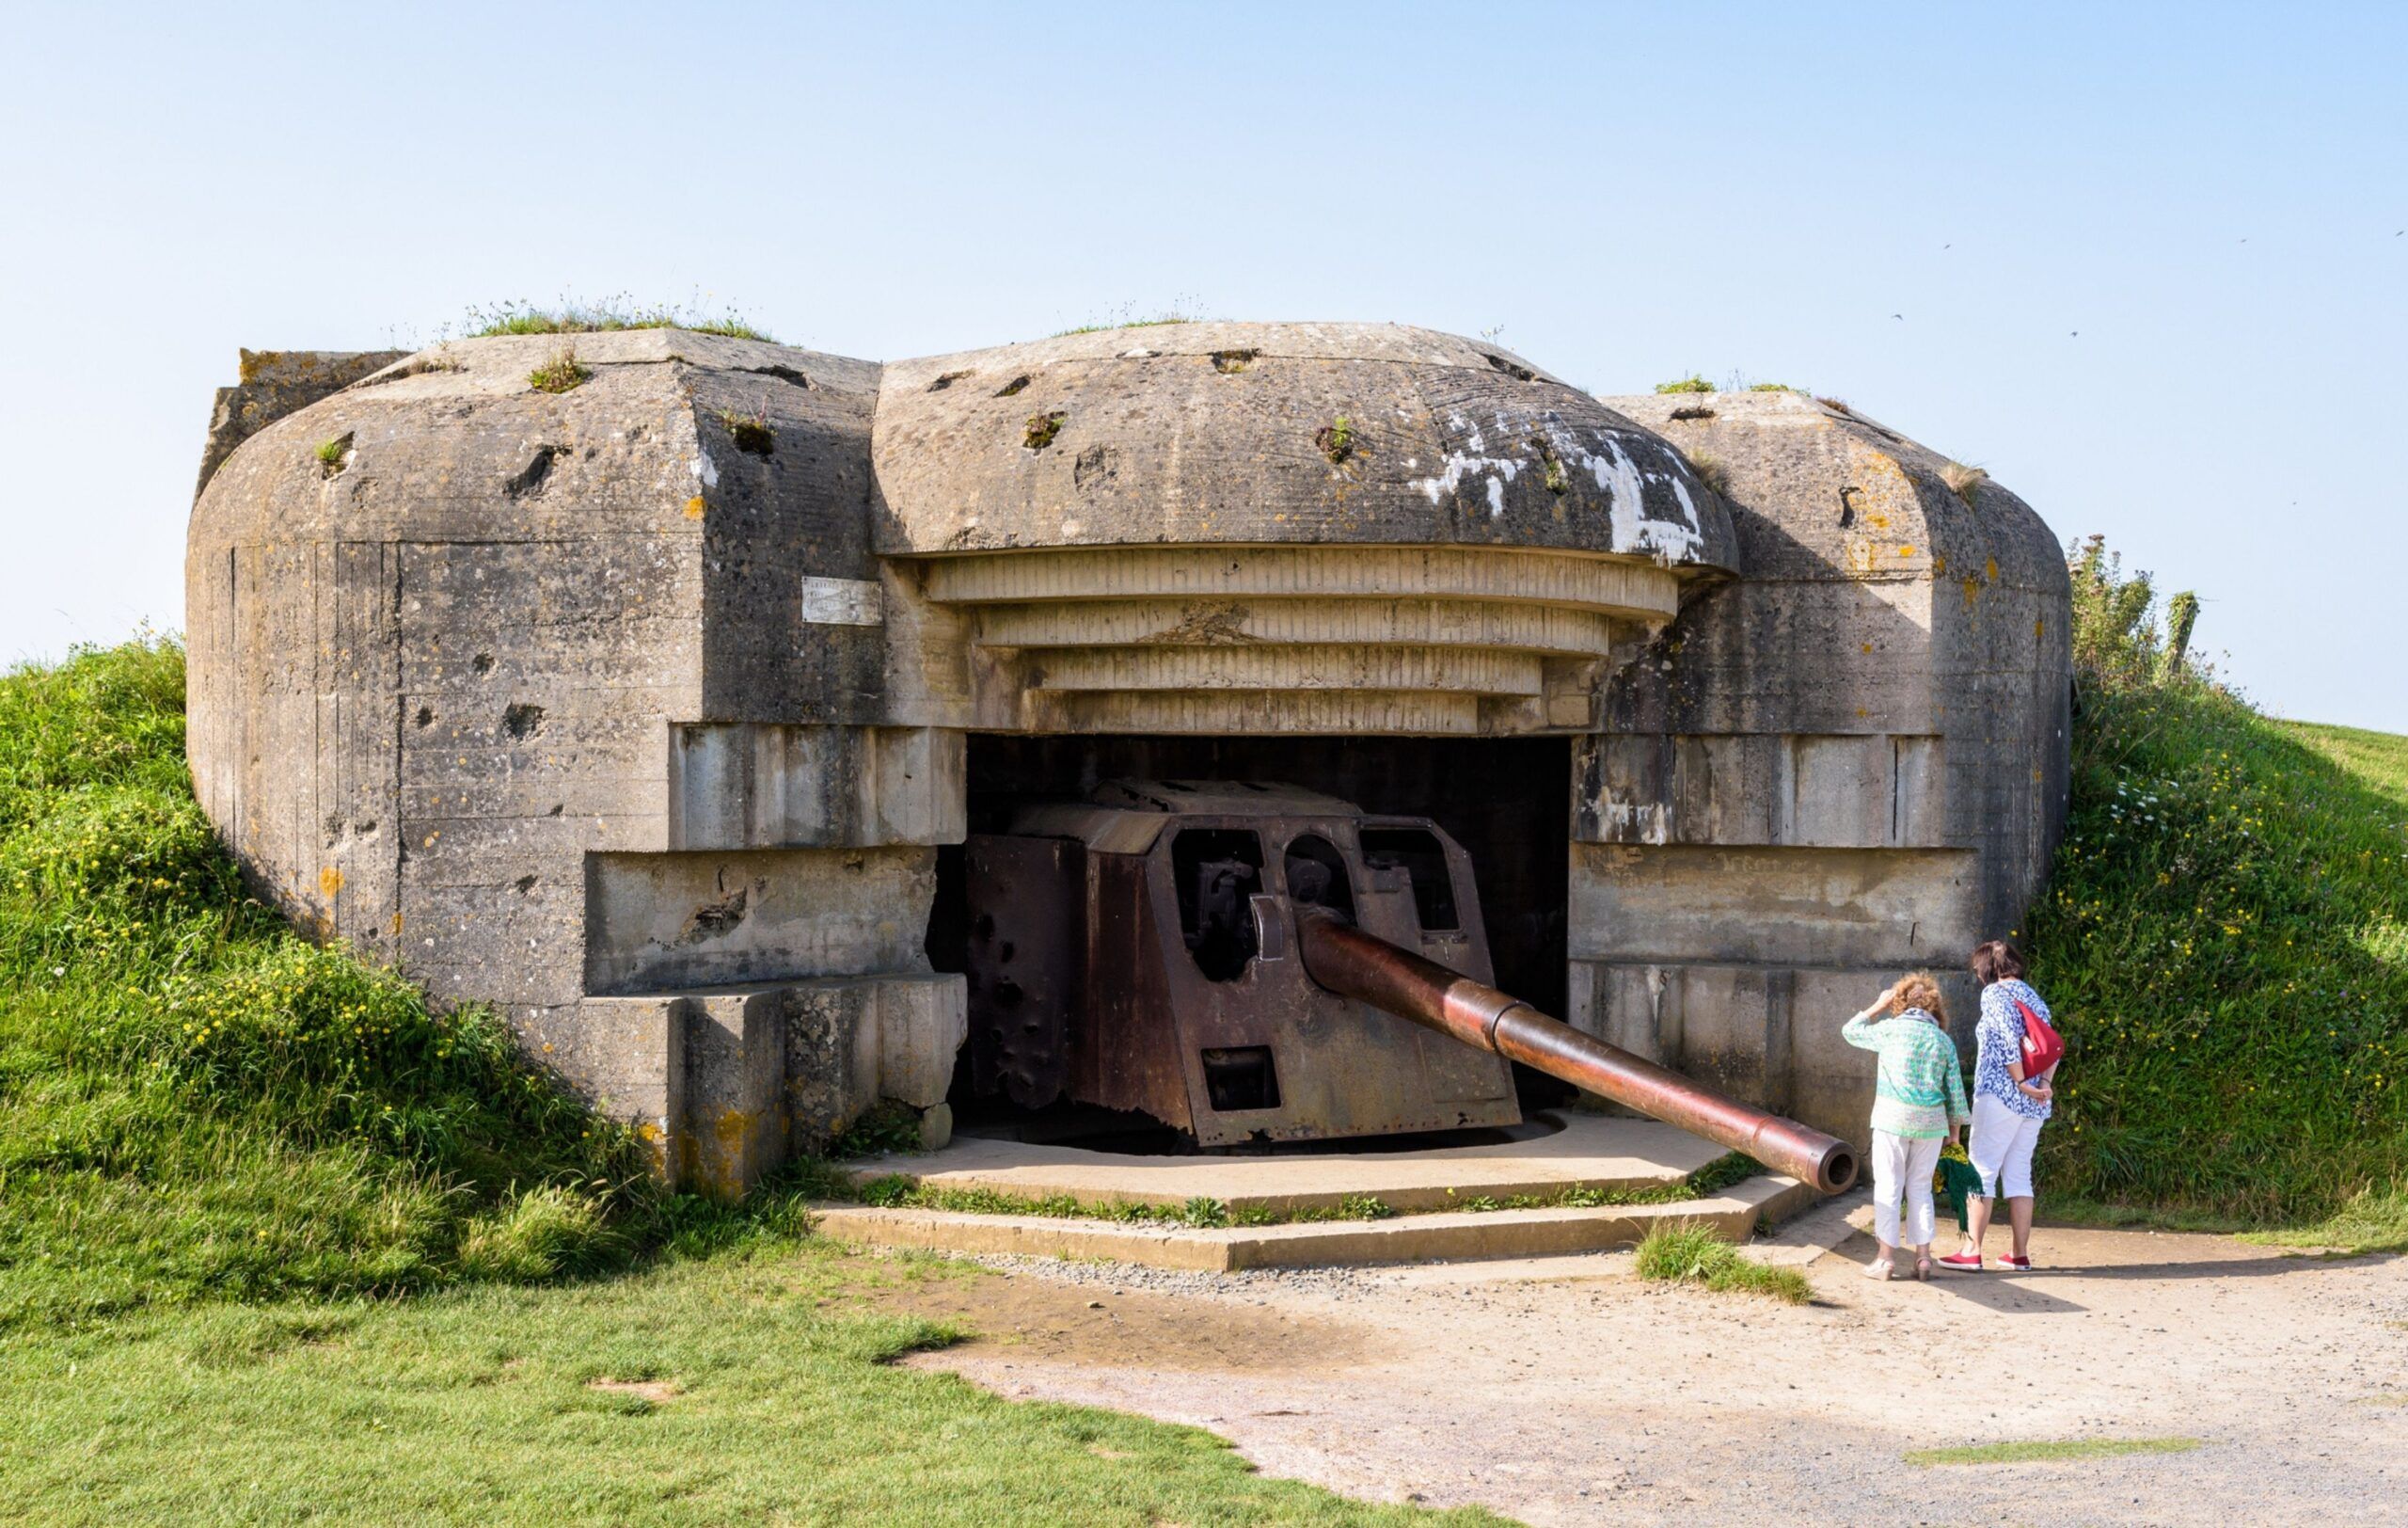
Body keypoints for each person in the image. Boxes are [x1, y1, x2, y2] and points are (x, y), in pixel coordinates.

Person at [1841, 972, 1968, 1281]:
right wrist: (1955, 1135)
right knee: (1921, 1188)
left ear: (1898, 1002)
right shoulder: (1943, 1041)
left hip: (1892, 1120)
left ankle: (1885, 1260)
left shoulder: (1889, 1031)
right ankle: (1923, 1258)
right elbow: (1955, 1093)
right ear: (1935, 1007)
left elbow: (1850, 1031)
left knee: (1889, 1187)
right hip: (1931, 1124)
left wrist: (1877, 1006)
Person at [1940, 939, 2056, 1271]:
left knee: (1982, 1170)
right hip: (2035, 1101)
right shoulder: (2033, 996)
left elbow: (2007, 1041)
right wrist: (2042, 1085)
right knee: (2020, 1175)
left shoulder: (1994, 994)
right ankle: (2018, 1255)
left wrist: (2019, 1081)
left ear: (1985, 969)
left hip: (2001, 1094)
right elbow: (2053, 1046)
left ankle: (1971, 1251)